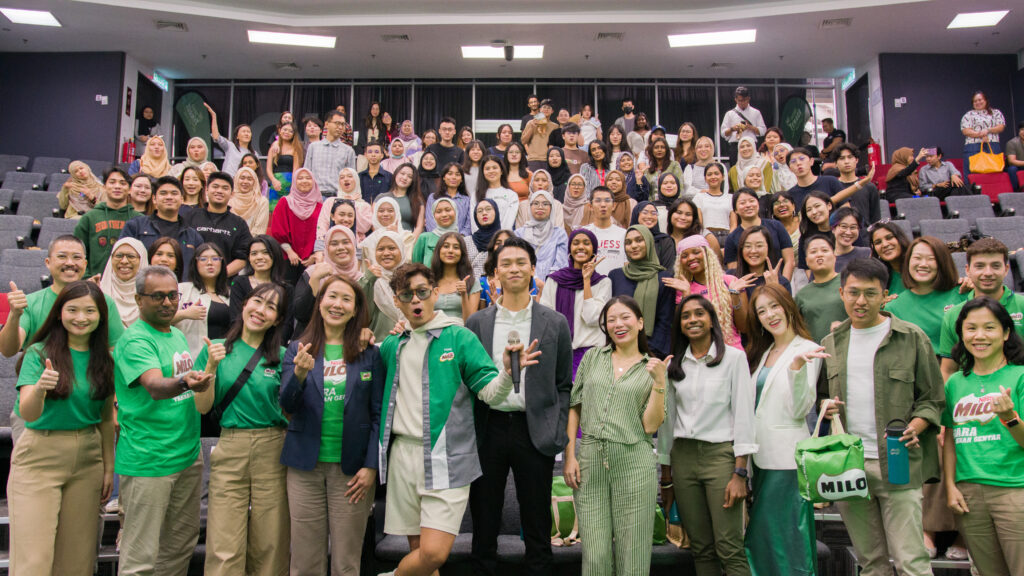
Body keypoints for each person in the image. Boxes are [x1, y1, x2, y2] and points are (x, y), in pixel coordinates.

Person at [376, 263, 539, 576]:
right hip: (402, 457)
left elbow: (490, 393)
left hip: (447, 456)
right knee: (419, 557)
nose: (416, 300)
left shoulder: (459, 338)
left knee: (433, 554)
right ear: (397, 301)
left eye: (423, 292)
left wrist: (507, 371)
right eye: (407, 295)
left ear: (436, 292)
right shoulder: (392, 345)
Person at [819, 257, 944, 576]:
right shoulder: (831, 343)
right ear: (841, 292)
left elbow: (932, 398)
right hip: (850, 465)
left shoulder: (911, 337)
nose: (861, 301)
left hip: (898, 460)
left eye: (870, 293)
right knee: (870, 562)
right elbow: (822, 396)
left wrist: (916, 426)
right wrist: (827, 406)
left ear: (885, 294)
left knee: (911, 561)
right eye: (853, 292)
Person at [465, 237, 573, 576]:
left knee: (537, 527)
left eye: (521, 262)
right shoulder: (477, 323)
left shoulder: (554, 322)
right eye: (506, 263)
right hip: (488, 429)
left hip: (534, 430)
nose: (514, 268)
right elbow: (468, 382)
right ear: (495, 273)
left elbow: (563, 385)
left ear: (532, 269)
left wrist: (555, 429)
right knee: (484, 525)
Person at [6, 280, 115, 576]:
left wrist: (108, 468)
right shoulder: (39, 353)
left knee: (76, 563)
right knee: (34, 561)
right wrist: (41, 388)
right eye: (73, 310)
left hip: (87, 460)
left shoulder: (105, 359)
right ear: (58, 313)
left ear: (101, 316)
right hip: (40, 454)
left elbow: (106, 419)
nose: (81, 318)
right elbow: (28, 412)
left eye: (90, 311)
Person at [280, 274, 385, 576]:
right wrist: (299, 374)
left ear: (355, 310)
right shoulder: (298, 349)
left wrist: (371, 466)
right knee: (304, 560)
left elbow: (378, 414)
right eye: (332, 297)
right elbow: (287, 406)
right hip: (304, 467)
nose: (337, 304)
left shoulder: (370, 354)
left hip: (352, 472)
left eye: (346, 299)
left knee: (346, 561)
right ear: (320, 302)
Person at [114, 265, 214, 575]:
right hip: (149, 461)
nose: (168, 303)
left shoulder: (174, 335)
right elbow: (156, 387)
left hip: (185, 456)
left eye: (173, 296)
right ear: (138, 299)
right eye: (157, 297)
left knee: (179, 546)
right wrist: (188, 382)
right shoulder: (135, 340)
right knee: (141, 557)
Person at [563, 295, 669, 576]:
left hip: (634, 461)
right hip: (590, 460)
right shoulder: (593, 357)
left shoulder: (652, 367)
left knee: (632, 554)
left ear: (640, 322)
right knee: (595, 556)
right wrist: (570, 455)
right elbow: (575, 406)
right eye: (611, 319)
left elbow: (651, 426)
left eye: (625, 317)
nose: (618, 324)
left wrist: (660, 383)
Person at [194, 282, 290, 576]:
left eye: (271, 307)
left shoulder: (283, 356)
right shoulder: (215, 348)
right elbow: (202, 406)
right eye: (258, 302)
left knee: (270, 542)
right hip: (231, 445)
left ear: (277, 319)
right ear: (245, 303)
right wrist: (210, 366)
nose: (261, 311)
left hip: (272, 448)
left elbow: (289, 408)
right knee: (224, 542)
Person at [655, 295, 755, 576]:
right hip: (683, 459)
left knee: (729, 547)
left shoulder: (734, 358)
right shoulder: (675, 365)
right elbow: (667, 423)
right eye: (686, 316)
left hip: (720, 458)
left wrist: (740, 473)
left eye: (699, 314)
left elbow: (745, 416)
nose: (693, 320)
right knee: (700, 548)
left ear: (712, 320)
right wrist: (666, 479)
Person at [741, 283, 824, 576]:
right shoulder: (762, 352)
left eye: (774, 306)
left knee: (789, 537)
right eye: (762, 311)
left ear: (788, 306)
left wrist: (797, 370)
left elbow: (799, 409)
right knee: (764, 539)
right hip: (760, 458)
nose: (769, 315)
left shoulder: (808, 349)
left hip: (787, 461)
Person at [942, 297, 1024, 576]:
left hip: (1014, 490)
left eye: (989, 328)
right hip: (969, 495)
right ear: (961, 333)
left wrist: (1010, 418)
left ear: (1006, 332)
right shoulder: (955, 382)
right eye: (971, 328)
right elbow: (951, 438)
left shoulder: (1020, 376)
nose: (979, 336)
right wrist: (950, 486)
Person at [0, 235, 125, 358]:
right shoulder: (30, 303)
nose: (70, 263)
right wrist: (14, 316)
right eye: (62, 256)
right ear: (48, 262)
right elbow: (8, 351)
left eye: (76, 257)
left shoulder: (104, 302)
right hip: (41, 376)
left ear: (85, 264)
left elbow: (117, 351)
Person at [939, 238, 1024, 381]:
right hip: (971, 397)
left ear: (1006, 269)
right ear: (968, 270)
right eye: (980, 266)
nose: (988, 273)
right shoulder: (953, 315)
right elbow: (948, 370)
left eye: (995, 266)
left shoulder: (1022, 305)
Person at [542, 228, 611, 374]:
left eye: (586, 243)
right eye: (576, 243)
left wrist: (586, 281)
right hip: (560, 353)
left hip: (592, 354)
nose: (580, 247)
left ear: (594, 249)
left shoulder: (602, 282)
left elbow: (592, 318)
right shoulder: (555, 280)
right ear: (569, 249)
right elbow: (546, 319)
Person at [119, 176, 205, 280]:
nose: (169, 197)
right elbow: (121, 259)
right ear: (154, 199)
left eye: (174, 193)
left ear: (182, 199)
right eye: (163, 193)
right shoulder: (135, 227)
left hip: (181, 292)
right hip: (141, 290)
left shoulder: (193, 236)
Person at [608, 225, 675, 358]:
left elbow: (665, 320)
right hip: (619, 350)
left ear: (649, 242)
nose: (633, 246)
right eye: (628, 242)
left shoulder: (664, 277)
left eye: (639, 240)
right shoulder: (616, 276)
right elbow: (611, 316)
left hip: (652, 353)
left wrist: (647, 353)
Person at [670, 234, 747, 350]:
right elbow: (681, 331)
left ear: (707, 254)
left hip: (732, 352)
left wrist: (735, 295)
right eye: (685, 256)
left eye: (696, 252)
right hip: (700, 354)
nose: (691, 258)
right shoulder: (682, 288)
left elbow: (744, 327)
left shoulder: (730, 282)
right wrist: (686, 294)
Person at [72, 167, 140, 278]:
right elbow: (77, 254)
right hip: (96, 284)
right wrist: (87, 278)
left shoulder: (139, 220)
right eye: (112, 182)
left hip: (130, 286)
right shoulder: (89, 218)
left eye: (122, 183)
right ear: (104, 187)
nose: (117, 186)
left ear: (130, 189)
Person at [184, 171, 252, 276]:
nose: (219, 191)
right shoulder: (190, 217)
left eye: (225, 188)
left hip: (224, 285)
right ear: (207, 189)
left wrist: (219, 275)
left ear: (232, 193)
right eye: (215, 187)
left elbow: (242, 258)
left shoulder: (239, 224)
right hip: (192, 280)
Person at [174, 242, 231, 359]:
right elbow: (159, 320)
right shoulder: (181, 289)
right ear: (195, 263)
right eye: (203, 259)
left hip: (224, 358)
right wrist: (184, 314)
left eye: (215, 258)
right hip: (190, 358)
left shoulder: (231, 294)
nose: (210, 263)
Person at [723, 188, 794, 278]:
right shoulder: (732, 238)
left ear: (758, 204)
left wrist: (782, 285)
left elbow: (789, 261)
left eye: (751, 201)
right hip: (748, 288)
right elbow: (734, 271)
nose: (748, 205)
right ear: (735, 210)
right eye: (742, 203)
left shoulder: (776, 226)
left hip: (778, 284)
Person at [269, 166, 323, 278]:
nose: (304, 181)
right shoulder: (284, 202)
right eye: (300, 178)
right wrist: (290, 252)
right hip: (287, 258)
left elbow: (323, 233)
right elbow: (277, 231)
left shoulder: (320, 207)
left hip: (312, 261)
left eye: (308, 178)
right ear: (294, 182)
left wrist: (314, 255)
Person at [795, 234, 847, 343]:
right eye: (813, 252)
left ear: (834, 256)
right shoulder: (802, 295)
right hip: (818, 354)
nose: (819, 255)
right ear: (807, 261)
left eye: (824, 250)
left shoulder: (848, 282)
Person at [431, 231, 481, 324]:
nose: (450, 251)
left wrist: (464, 295)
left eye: (456, 247)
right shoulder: (429, 281)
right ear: (438, 250)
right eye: (446, 246)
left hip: (460, 334)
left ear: (462, 253)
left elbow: (470, 322)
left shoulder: (472, 282)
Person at [304, 109, 357, 196]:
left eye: (342, 124)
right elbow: (307, 174)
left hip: (338, 197)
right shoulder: (313, 147)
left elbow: (351, 180)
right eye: (337, 123)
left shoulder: (348, 151)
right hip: (315, 197)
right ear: (327, 124)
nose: (340, 127)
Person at [728, 226, 791, 296]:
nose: (753, 251)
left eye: (759, 246)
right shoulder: (730, 277)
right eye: (748, 246)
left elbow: (787, 306)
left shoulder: (781, 281)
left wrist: (774, 288)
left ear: (768, 248)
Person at [100, 237, 149, 328]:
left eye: (131, 256)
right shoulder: (99, 293)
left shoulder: (151, 295)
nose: (124, 261)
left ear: (142, 260)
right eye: (119, 256)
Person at [583, 187, 627, 276]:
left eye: (607, 200)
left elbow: (627, 265)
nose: (603, 204)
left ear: (614, 205)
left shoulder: (624, 234)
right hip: (590, 285)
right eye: (598, 201)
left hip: (616, 286)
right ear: (590, 206)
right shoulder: (583, 234)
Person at [961, 90, 1006, 177]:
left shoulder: (996, 112)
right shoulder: (968, 115)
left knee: (994, 171)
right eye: (975, 101)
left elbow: (1001, 127)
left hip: (992, 144)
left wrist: (988, 130)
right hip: (973, 146)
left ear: (986, 100)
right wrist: (980, 134)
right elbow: (965, 130)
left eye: (980, 100)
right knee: (973, 172)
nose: (978, 102)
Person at [203, 103, 257, 176]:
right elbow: (216, 136)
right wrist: (214, 116)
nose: (246, 134)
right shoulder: (230, 146)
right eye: (243, 132)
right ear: (237, 136)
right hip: (227, 181)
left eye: (248, 132)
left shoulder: (254, 154)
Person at [835, 143, 881, 224]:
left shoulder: (869, 187)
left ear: (856, 160)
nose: (846, 161)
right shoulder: (832, 187)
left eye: (850, 157)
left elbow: (875, 219)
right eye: (842, 158)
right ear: (836, 163)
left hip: (864, 234)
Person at [720, 86, 766, 165]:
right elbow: (723, 133)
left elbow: (763, 131)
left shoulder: (756, 112)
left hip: (751, 145)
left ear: (748, 99)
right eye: (739, 101)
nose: (742, 103)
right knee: (735, 171)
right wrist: (732, 129)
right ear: (736, 100)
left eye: (744, 100)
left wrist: (751, 128)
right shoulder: (730, 114)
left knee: (752, 168)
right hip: (735, 146)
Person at [377, 162, 425, 234]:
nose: (405, 178)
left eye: (409, 176)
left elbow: (419, 227)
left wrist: (409, 243)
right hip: (385, 240)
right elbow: (375, 223)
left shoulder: (417, 201)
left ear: (413, 181)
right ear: (396, 174)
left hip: (408, 241)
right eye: (402, 174)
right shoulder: (381, 197)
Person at [425, 162, 472, 235]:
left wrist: (460, 238)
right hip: (437, 242)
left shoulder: (467, 200)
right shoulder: (433, 198)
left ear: (461, 179)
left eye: (457, 174)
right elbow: (430, 222)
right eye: (450, 174)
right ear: (444, 177)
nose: (454, 177)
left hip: (460, 241)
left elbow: (468, 225)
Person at [265, 121, 304, 206]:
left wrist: (293, 187)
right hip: (275, 184)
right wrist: (273, 180)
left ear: (294, 134)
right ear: (279, 130)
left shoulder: (296, 149)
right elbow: (268, 168)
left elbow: (296, 170)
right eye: (285, 129)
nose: (287, 133)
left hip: (290, 185)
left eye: (291, 131)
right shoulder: (273, 147)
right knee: (274, 211)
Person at [476, 155, 520, 230]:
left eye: (494, 168)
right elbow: (475, 223)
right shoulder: (476, 194)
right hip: (482, 240)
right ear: (483, 172)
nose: (491, 171)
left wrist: (500, 238)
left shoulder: (511, 195)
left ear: (501, 171)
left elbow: (508, 222)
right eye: (487, 169)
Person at [412, 196, 459, 266]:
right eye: (438, 211)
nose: (444, 215)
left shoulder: (462, 239)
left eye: (448, 210)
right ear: (433, 216)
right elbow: (415, 267)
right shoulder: (424, 238)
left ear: (455, 212)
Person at [868, 221, 911, 295]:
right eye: (878, 242)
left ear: (900, 239)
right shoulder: (878, 276)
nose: (884, 245)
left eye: (889, 238)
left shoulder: (916, 267)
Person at [630, 201, 676, 269]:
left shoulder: (664, 241)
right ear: (636, 214)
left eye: (654, 213)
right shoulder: (627, 239)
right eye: (645, 212)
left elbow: (668, 270)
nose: (649, 216)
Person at [796, 190, 834, 272]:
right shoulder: (806, 237)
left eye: (817, 206)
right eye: (809, 210)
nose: (814, 212)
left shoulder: (844, 230)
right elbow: (807, 269)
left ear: (829, 205)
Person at [691, 162, 733, 235]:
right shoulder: (699, 197)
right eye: (709, 174)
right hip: (707, 235)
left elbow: (733, 224)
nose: (713, 177)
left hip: (727, 235)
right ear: (705, 178)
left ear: (723, 177)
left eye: (716, 173)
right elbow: (699, 224)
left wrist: (730, 241)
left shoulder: (730, 198)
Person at [831, 206, 871, 272]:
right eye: (844, 226)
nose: (848, 232)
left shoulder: (868, 253)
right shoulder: (826, 260)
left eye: (853, 227)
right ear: (833, 229)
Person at [522, 99, 556, 171]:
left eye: (549, 108)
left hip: (549, 160)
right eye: (544, 107)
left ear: (552, 111)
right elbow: (523, 141)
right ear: (540, 109)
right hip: (533, 159)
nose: (546, 109)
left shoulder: (555, 126)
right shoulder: (530, 122)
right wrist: (532, 128)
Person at [1005, 121, 1024, 191]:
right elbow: (1012, 161)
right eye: (1022, 129)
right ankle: (1016, 191)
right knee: (1012, 169)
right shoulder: (1012, 143)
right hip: (1016, 167)